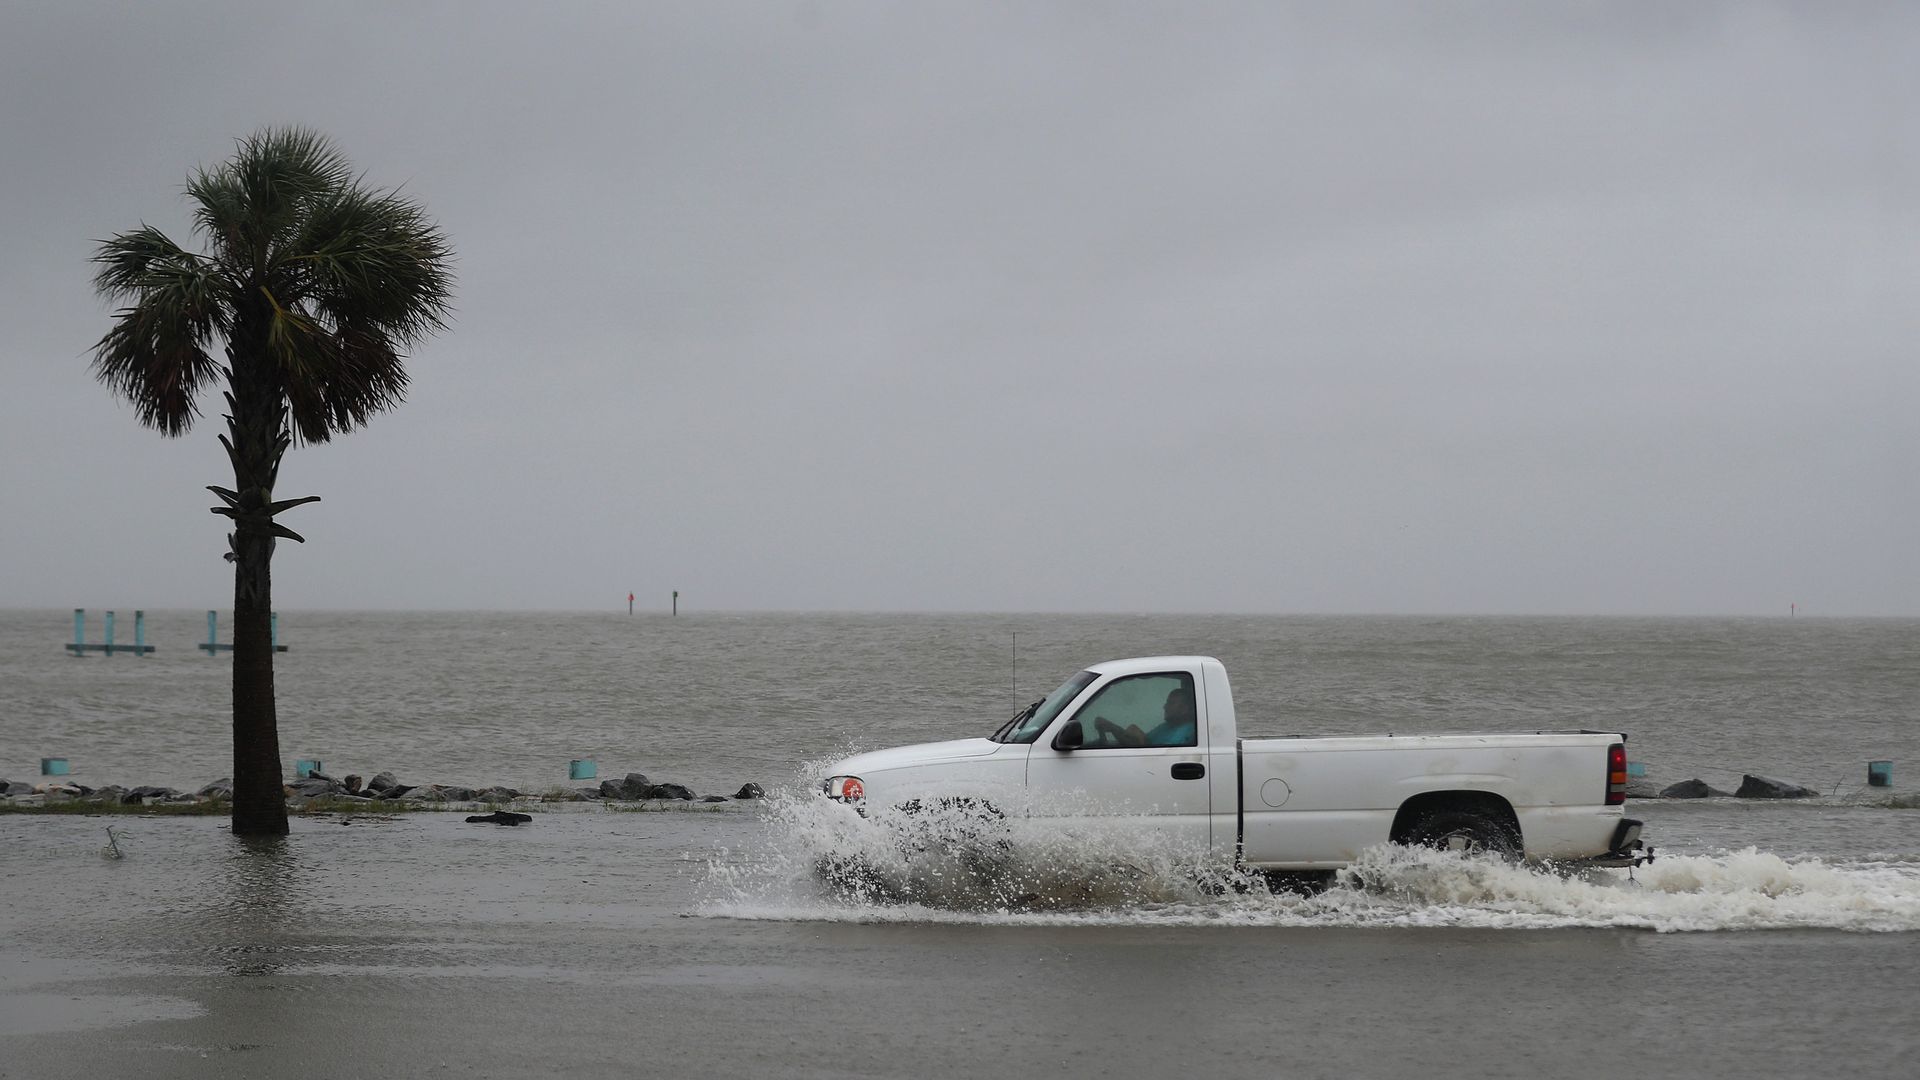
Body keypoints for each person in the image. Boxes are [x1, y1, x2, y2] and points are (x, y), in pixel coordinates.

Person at [1092, 687, 1197, 747]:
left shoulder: (1187, 732)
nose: (1165, 707)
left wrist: (1115, 729)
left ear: (1185, 709)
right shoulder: (1166, 727)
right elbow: (1140, 743)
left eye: (1170, 703)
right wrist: (1113, 729)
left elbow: (1155, 754)